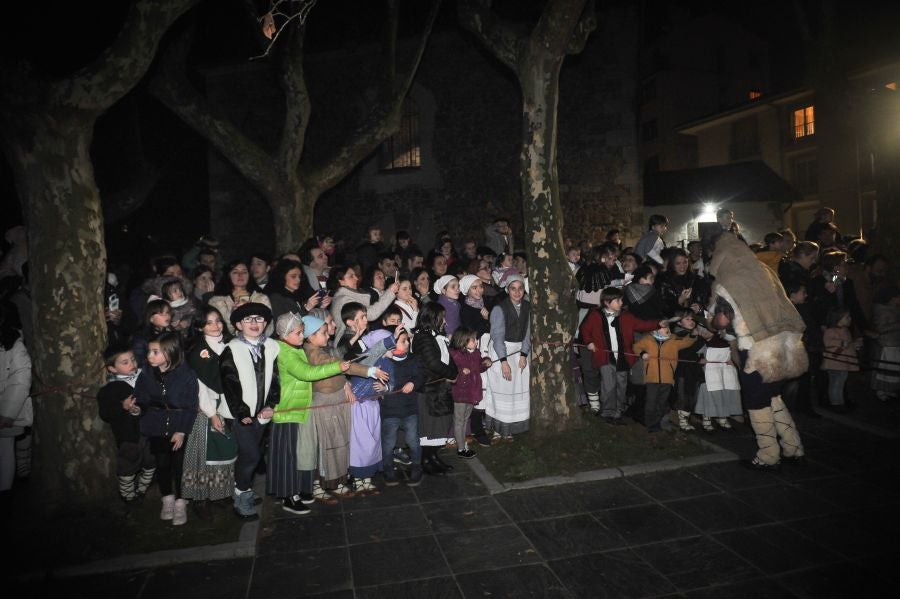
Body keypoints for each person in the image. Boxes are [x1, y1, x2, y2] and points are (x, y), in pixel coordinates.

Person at [707, 232, 806, 470]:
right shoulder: (765, 271)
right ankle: (794, 447)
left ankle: (768, 455)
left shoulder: (726, 283)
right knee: (773, 396)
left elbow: (721, 321)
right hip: (783, 345)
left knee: (756, 401)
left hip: (756, 350)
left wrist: (710, 321)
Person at [269, 312, 350, 515]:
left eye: (302, 332)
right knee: (288, 457)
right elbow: (306, 373)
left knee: (303, 453)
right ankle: (288, 496)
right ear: (285, 333)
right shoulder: (285, 351)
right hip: (288, 411)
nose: (301, 336)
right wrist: (336, 367)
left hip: (301, 409)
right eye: (297, 333)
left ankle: (301, 490)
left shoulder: (294, 348)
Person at [219, 303, 280, 520]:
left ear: (266, 323)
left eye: (259, 319)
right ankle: (240, 495)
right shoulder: (232, 348)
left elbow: (275, 380)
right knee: (251, 456)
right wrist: (241, 411)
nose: (254, 323)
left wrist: (270, 404)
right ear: (238, 324)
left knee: (252, 453)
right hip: (239, 415)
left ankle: (244, 488)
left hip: (261, 414)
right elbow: (229, 382)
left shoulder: (272, 346)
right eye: (248, 320)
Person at [134, 332, 199, 525]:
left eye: (156, 352)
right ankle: (167, 499)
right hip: (157, 425)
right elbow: (142, 398)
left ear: (170, 353)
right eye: (149, 352)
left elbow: (190, 404)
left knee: (179, 466)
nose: (150, 356)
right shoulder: (146, 374)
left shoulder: (186, 374)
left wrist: (181, 430)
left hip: (179, 425)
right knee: (162, 464)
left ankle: (181, 501)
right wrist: (136, 407)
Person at [182, 306, 237, 519]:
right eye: (209, 322)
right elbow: (202, 386)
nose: (216, 325)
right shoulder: (198, 352)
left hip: (229, 405)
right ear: (200, 327)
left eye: (218, 320)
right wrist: (212, 413)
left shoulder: (229, 344)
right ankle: (200, 499)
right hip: (209, 408)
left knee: (225, 451)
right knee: (204, 455)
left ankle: (221, 493)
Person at [579, 287, 662, 422]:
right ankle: (607, 412)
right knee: (608, 385)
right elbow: (585, 330)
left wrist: (658, 323)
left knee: (621, 385)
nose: (621, 302)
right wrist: (589, 342)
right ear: (607, 302)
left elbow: (642, 325)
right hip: (605, 358)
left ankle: (618, 413)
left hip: (623, 359)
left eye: (621, 300)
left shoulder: (626, 316)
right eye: (618, 300)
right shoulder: (595, 315)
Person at [99, 344, 155, 504]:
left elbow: (148, 402)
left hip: (149, 432)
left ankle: (142, 489)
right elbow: (106, 414)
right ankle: (128, 496)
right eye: (125, 362)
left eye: (132, 359)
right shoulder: (109, 390)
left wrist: (138, 409)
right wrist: (121, 407)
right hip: (128, 437)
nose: (132, 363)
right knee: (127, 468)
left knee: (151, 463)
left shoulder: (143, 380)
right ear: (112, 369)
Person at [411, 302, 459, 475]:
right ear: (432, 318)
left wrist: (454, 372)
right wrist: (451, 374)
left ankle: (433, 457)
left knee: (439, 426)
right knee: (430, 428)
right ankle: (425, 460)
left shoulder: (436, 336)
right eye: (441, 317)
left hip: (439, 388)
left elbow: (448, 359)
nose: (444, 321)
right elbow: (432, 363)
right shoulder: (423, 337)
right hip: (429, 389)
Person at [484, 276, 530, 440]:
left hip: (519, 351)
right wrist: (504, 362)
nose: (517, 292)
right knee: (502, 388)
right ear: (507, 290)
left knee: (517, 389)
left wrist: (524, 354)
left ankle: (510, 427)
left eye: (520, 288)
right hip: (501, 350)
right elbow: (497, 337)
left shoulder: (528, 307)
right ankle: (497, 428)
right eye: (513, 288)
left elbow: (528, 333)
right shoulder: (499, 309)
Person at [379, 325, 425, 486]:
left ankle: (417, 468)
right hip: (390, 411)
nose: (407, 343)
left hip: (409, 410)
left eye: (408, 340)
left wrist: (413, 382)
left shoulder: (413, 359)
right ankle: (388, 470)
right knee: (388, 443)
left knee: (413, 441)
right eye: (403, 341)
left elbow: (421, 375)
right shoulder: (384, 362)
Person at [633, 322, 699, 432]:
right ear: (657, 329)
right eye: (664, 327)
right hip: (652, 378)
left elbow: (686, 342)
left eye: (668, 327)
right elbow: (636, 346)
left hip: (667, 378)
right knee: (651, 401)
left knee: (662, 402)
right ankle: (649, 423)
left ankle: (656, 423)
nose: (667, 329)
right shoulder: (648, 339)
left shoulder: (673, 339)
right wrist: (642, 353)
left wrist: (692, 335)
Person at [0, 304, 32, 504]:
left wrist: (7, 413)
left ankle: (4, 492)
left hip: (5, 412)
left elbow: (20, 380)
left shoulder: (14, 346)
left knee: (4, 451)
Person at [449, 327, 491, 459]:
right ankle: (461, 448)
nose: (476, 342)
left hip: (472, 391)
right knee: (459, 420)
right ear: (463, 341)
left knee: (465, 419)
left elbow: (479, 367)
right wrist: (461, 370)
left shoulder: (476, 353)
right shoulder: (455, 354)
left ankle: (463, 445)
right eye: (473, 339)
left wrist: (485, 362)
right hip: (460, 392)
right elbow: (451, 369)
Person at [328, 264, 398, 342]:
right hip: (348, 344)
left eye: (355, 275)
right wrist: (390, 292)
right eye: (351, 276)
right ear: (341, 281)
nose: (356, 278)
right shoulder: (343, 300)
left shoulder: (348, 296)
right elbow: (370, 314)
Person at [209, 259, 272, 335]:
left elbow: (269, 328)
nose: (240, 275)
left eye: (244, 272)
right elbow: (220, 330)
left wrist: (251, 310)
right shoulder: (217, 301)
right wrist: (232, 314)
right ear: (228, 275)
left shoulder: (261, 298)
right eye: (235, 272)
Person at [821, 308, 862, 413]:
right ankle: (836, 404)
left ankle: (840, 402)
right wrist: (841, 343)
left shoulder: (846, 330)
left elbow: (848, 344)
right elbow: (828, 342)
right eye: (847, 317)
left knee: (841, 383)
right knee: (835, 383)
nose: (850, 319)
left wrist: (854, 344)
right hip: (834, 361)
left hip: (844, 362)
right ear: (838, 319)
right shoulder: (830, 331)